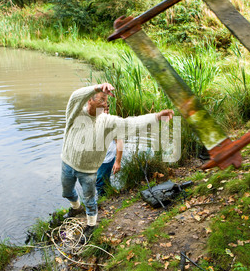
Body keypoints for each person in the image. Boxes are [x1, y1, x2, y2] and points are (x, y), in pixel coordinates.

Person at [60, 82, 174, 239]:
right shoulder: (76, 112)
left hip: (88, 170)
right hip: (67, 162)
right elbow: (75, 97)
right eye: (101, 99)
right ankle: (75, 207)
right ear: (89, 100)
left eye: (106, 101)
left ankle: (91, 224)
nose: (105, 104)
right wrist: (97, 87)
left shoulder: (108, 121)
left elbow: (130, 123)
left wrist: (156, 117)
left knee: (90, 198)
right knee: (66, 191)